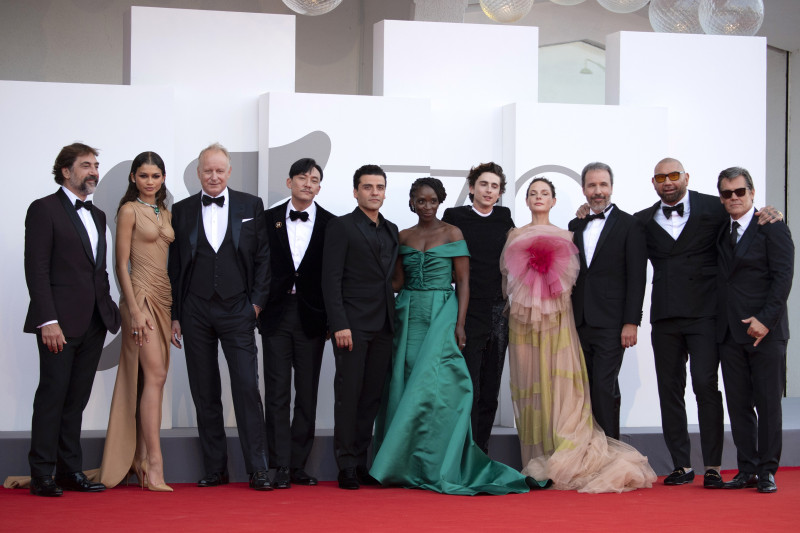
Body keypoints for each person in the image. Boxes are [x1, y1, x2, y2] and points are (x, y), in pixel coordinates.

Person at [370, 178, 532, 495]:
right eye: (420, 201)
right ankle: (400, 463)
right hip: (408, 315)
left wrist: (460, 325)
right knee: (403, 386)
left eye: (432, 200)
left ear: (440, 201)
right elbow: (398, 283)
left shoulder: (453, 233)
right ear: (411, 203)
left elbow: (464, 283)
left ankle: (431, 462)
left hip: (442, 313)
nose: (427, 206)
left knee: (434, 387)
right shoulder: (403, 236)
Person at [632, 157, 781, 488]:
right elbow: (620, 249)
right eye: (660, 177)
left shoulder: (717, 207)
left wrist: (772, 212)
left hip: (706, 315)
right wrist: (584, 213)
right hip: (665, 317)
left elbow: (748, 216)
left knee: (705, 386)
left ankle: (713, 465)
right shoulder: (642, 220)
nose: (667, 181)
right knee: (669, 390)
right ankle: (681, 464)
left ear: (686, 177)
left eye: (673, 175)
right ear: (653, 182)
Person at [502, 177, 656, 493]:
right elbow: (508, 282)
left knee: (565, 389)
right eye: (533, 193)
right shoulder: (515, 235)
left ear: (554, 200)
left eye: (545, 193)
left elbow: (577, 280)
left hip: (560, 322)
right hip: (524, 326)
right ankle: (538, 454)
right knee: (533, 388)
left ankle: (566, 454)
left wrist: (631, 320)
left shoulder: (568, 232)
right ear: (526, 200)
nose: (538, 197)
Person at [168, 143, 272, 490]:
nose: (214, 176)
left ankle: (258, 467)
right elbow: (175, 266)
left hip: (237, 309)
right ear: (198, 173)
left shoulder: (250, 205)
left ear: (229, 172)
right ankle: (215, 468)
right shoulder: (180, 211)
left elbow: (263, 260)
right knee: (204, 390)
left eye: (219, 170)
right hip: (194, 310)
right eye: (207, 170)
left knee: (245, 387)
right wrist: (175, 314)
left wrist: (255, 305)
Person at [24, 143, 121, 496]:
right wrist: (47, 320)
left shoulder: (97, 215)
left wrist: (108, 308)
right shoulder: (43, 209)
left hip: (95, 321)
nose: (93, 170)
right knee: (52, 396)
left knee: (76, 400)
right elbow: (36, 269)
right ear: (66, 171)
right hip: (58, 324)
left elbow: (98, 269)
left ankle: (69, 471)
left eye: (96, 164)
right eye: (85, 165)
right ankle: (42, 474)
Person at [94, 152, 174, 491]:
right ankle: (152, 464)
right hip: (139, 298)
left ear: (162, 178)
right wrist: (134, 308)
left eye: (155, 176)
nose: (150, 181)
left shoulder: (165, 211)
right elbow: (120, 264)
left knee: (154, 379)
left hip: (164, 297)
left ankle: (143, 458)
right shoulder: (129, 211)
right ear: (132, 178)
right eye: (144, 175)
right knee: (154, 375)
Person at [714, 167, 793, 494]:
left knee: (769, 402)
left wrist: (766, 319)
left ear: (752, 192)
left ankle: (767, 471)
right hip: (730, 332)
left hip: (766, 332)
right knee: (738, 403)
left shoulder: (771, 226)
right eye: (727, 193)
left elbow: (783, 277)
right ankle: (746, 467)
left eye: (740, 192)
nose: (734, 198)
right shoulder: (720, 229)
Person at [322, 164, 398, 490]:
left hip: (384, 325)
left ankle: (362, 461)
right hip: (351, 326)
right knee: (349, 395)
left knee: (371, 398)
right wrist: (339, 323)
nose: (374, 192)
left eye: (379, 187)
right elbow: (330, 279)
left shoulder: (393, 229)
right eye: (368, 187)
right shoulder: (341, 227)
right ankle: (346, 466)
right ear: (356, 191)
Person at [259, 158, 333, 488]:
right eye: (301, 178)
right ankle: (279, 465)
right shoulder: (267, 220)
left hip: (312, 316)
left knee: (306, 393)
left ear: (319, 186)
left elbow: (334, 277)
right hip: (275, 313)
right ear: (289, 182)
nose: (307, 183)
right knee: (276, 393)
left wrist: (332, 317)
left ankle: (298, 464)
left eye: (314, 179)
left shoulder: (332, 224)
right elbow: (256, 265)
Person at [567, 162, 647, 440]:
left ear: (611, 187)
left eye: (603, 185)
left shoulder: (630, 224)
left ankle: (611, 451)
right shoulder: (575, 224)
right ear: (584, 189)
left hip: (612, 323)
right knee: (583, 388)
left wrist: (631, 322)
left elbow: (637, 277)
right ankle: (589, 449)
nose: (597, 191)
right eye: (592, 185)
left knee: (603, 386)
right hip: (578, 320)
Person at [442, 162, 514, 453]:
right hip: (466, 311)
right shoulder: (454, 217)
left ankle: (480, 450)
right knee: (466, 384)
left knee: (490, 386)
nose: (489, 190)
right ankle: (461, 449)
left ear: (500, 192)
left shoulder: (505, 218)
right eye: (483, 184)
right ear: (471, 187)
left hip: (499, 311)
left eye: (494, 186)